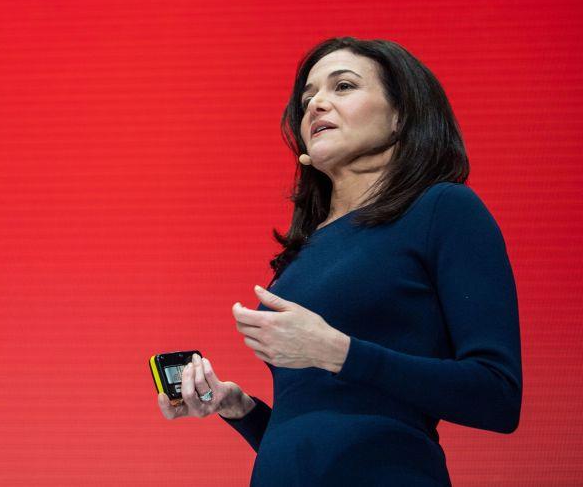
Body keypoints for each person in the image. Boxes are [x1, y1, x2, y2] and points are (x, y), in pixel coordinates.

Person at [156, 37, 522, 486]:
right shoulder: (304, 251)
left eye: (343, 87)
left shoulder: (444, 209)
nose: (316, 105)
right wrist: (239, 408)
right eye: (307, 98)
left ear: (400, 116)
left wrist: (339, 352)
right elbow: (319, 432)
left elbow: (498, 396)